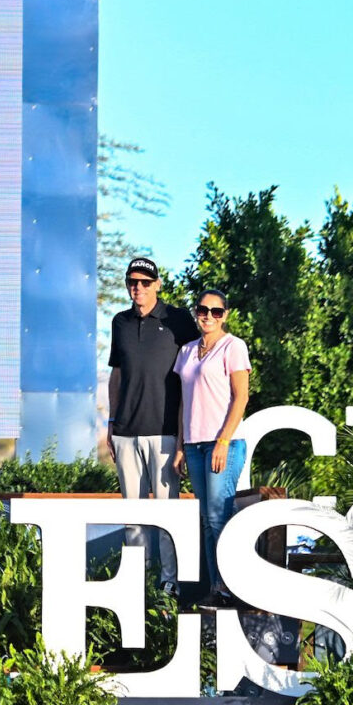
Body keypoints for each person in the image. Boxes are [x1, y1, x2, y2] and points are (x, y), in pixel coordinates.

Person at [106, 256, 198, 589]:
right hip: (126, 432)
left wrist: (184, 436)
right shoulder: (119, 322)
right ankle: (137, 586)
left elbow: (193, 374)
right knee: (133, 517)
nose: (138, 288)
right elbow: (116, 375)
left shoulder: (179, 319)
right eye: (133, 282)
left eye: (145, 282)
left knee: (166, 516)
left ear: (157, 284)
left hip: (165, 433)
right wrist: (111, 422)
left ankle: (169, 586)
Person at [172, 288, 252, 604]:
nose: (208, 316)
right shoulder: (186, 351)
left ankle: (232, 587)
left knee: (219, 516)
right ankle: (217, 587)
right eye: (203, 310)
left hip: (223, 444)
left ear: (225, 315)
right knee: (207, 519)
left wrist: (223, 441)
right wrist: (181, 446)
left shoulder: (233, 347)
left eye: (216, 311)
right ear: (196, 312)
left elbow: (241, 397)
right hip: (194, 445)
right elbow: (184, 402)